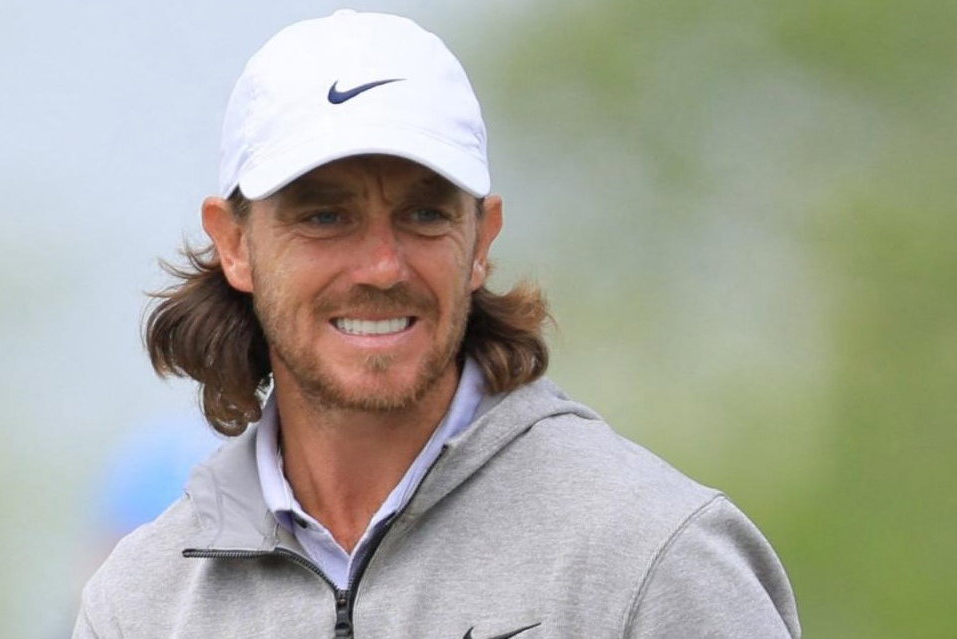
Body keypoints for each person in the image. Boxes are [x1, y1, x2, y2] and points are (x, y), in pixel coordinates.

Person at [73, 10, 800, 638]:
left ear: (481, 240)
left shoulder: (654, 558)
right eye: (324, 216)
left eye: (424, 214)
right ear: (234, 243)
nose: (382, 266)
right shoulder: (141, 604)